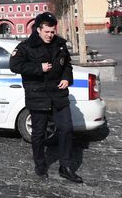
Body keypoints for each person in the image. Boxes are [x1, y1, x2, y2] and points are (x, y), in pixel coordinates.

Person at [9, 12, 83, 183]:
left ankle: (65, 166)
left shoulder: (60, 44)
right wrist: (38, 68)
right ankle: (40, 164)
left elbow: (67, 66)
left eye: (52, 31)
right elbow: (14, 65)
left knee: (66, 129)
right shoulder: (26, 46)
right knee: (39, 133)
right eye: (47, 32)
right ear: (38, 29)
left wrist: (66, 78)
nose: (50, 35)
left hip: (58, 95)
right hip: (38, 95)